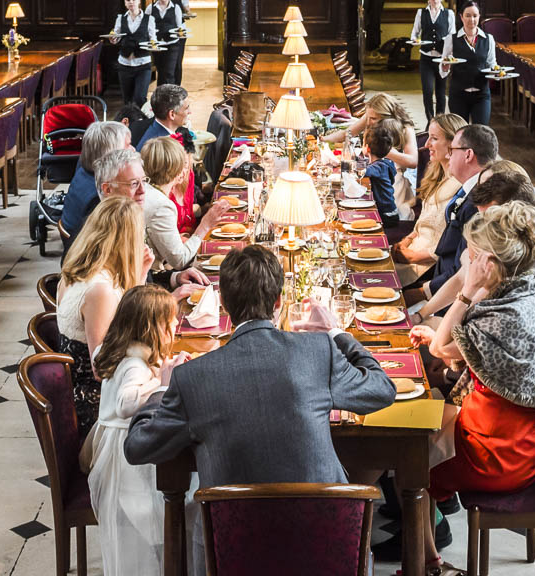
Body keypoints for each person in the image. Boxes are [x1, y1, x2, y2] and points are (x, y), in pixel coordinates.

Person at [125, 243, 396, 487]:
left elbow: (137, 447)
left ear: (223, 304)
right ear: (278, 301)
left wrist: (161, 389)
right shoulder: (318, 350)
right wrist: (336, 334)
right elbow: (382, 389)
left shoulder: (191, 377)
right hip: (324, 532)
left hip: (232, 539)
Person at [413, 203, 535, 567]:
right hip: (525, 439)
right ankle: (431, 534)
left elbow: (439, 347)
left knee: (409, 463)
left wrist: (466, 290)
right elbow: (457, 352)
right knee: (417, 420)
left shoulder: (500, 311)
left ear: (492, 264)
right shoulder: (526, 289)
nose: (466, 257)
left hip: (497, 455)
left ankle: (427, 559)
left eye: (474, 254)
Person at [88, 284, 193, 576]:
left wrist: (160, 372)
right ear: (153, 327)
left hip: (114, 446)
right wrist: (162, 384)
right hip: (126, 460)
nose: (175, 324)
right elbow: (125, 403)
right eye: (170, 320)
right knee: (154, 515)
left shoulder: (124, 353)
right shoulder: (134, 363)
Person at [58, 195, 153, 437]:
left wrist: (139, 280)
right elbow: (102, 368)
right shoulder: (100, 290)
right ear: (126, 242)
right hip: (95, 406)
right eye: (140, 236)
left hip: (85, 393)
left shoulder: (80, 270)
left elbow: (118, 323)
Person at [465, 169, 535, 312]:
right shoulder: (531, 236)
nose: (485, 227)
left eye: (491, 219)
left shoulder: (530, 269)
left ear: (513, 212)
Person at [395, 113, 467, 285]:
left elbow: (452, 244)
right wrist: (407, 240)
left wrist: (413, 257)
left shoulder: (461, 186)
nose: (427, 145)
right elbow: (424, 220)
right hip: (414, 249)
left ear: (453, 144)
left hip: (429, 265)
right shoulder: (436, 173)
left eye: (433, 138)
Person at [429, 123, 501, 292]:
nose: (448, 155)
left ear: (468, 154)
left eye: (452, 150)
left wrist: (420, 293)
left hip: (448, 292)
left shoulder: (480, 203)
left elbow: (463, 270)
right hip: (440, 281)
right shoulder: (467, 190)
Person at [138, 137, 199, 272]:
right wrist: (204, 227)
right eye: (183, 164)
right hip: (153, 277)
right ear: (178, 173)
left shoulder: (145, 190)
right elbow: (179, 260)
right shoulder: (162, 205)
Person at [64, 120, 133, 238]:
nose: (133, 149)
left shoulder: (84, 171)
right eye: (127, 146)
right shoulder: (98, 196)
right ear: (110, 154)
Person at [441, 1, 499, 125]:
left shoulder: (489, 39)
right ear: (461, 17)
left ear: (479, 17)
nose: (471, 19)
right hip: (458, 95)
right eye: (467, 15)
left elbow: (491, 64)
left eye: (474, 15)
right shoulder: (451, 39)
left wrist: (496, 72)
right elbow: (443, 68)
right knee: (460, 133)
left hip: (481, 95)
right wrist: (445, 66)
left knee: (481, 131)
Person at [109, 0, 158, 110]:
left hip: (143, 64)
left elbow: (153, 39)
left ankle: (140, 125)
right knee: (127, 99)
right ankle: (129, 125)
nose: (131, 2)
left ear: (139, 1)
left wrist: (154, 45)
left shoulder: (149, 19)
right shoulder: (120, 18)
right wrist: (113, 39)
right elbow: (116, 37)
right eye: (128, 0)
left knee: (140, 98)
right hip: (124, 64)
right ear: (125, 3)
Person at [412, 0, 455, 117]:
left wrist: (449, 58)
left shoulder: (449, 14)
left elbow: (451, 36)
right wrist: (415, 40)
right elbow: (415, 33)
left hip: (442, 58)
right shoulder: (421, 13)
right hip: (426, 57)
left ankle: (440, 120)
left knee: (441, 92)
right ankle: (430, 120)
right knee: (428, 91)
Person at [362, 118, 410, 240]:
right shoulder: (387, 163)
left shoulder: (378, 167)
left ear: (367, 148)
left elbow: (362, 172)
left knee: (364, 221)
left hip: (385, 215)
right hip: (391, 212)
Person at [148, 0, 188, 88]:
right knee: (161, 72)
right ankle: (160, 98)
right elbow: (146, 24)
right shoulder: (151, 8)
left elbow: (180, 26)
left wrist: (181, 34)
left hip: (172, 44)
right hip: (157, 45)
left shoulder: (176, 8)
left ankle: (171, 98)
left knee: (169, 72)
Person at [137, 84, 193, 152]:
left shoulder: (155, 132)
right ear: (172, 114)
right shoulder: (161, 147)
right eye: (186, 108)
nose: (190, 112)